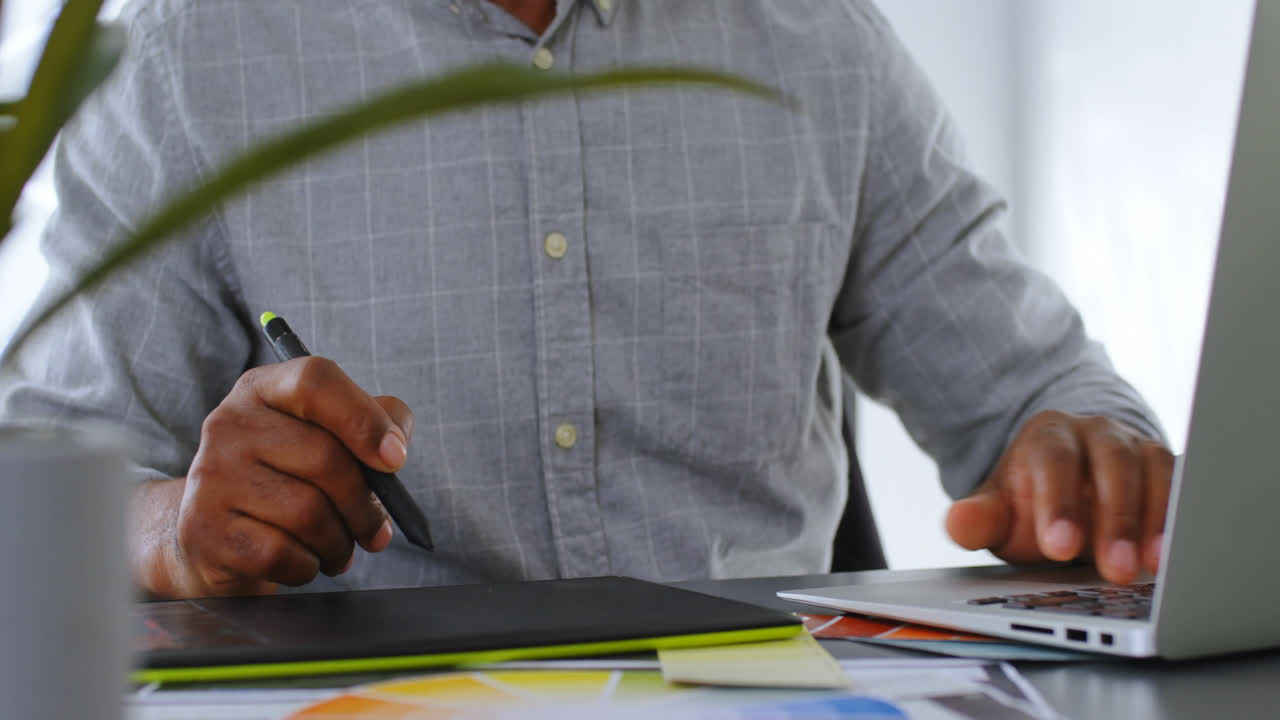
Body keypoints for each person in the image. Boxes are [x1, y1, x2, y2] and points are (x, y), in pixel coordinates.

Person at [0, 0, 1174, 599]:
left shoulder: (817, 39)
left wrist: (1079, 459)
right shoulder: (184, 52)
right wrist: (168, 527)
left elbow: (1042, 394)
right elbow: (39, 485)